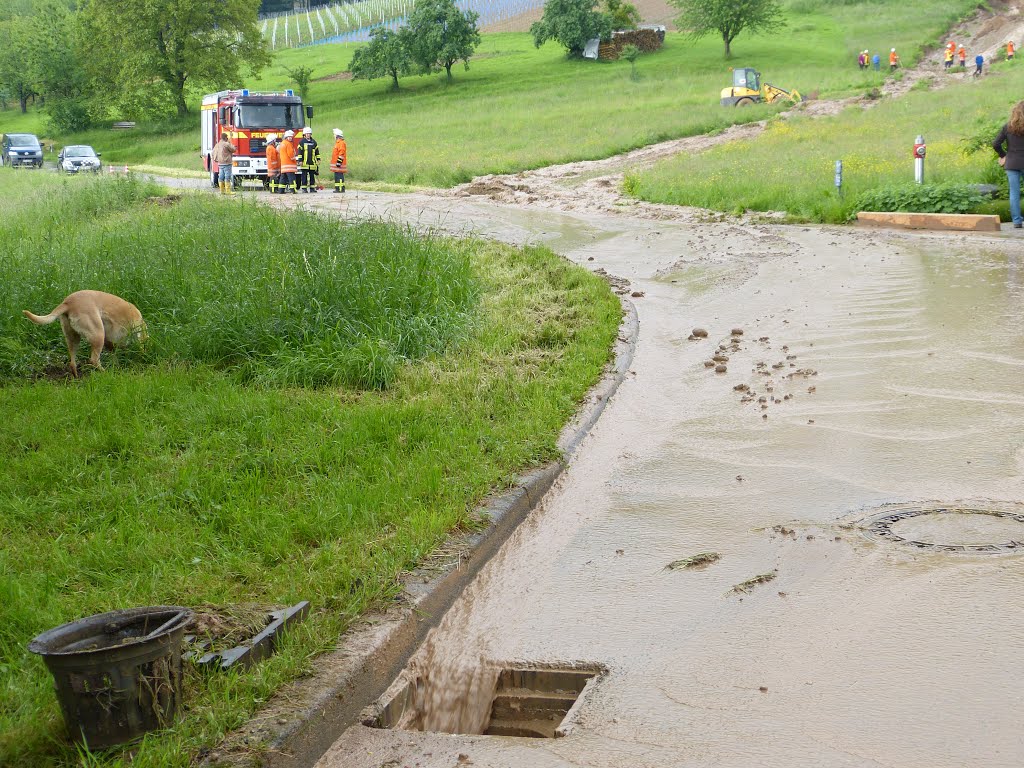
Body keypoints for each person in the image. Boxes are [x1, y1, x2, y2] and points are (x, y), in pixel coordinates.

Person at [992, 101, 1024, 228]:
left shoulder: (1007, 127)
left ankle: (1016, 221)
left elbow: (995, 144)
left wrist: (1003, 155)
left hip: (1011, 163)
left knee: (1014, 193)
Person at [298, 126, 320, 193]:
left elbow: (317, 152)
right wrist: (300, 160)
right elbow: (300, 152)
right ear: (304, 134)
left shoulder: (314, 142)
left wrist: (318, 159)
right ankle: (304, 188)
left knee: (312, 176)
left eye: (309, 134)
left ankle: (312, 188)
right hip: (304, 163)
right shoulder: (302, 142)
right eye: (307, 134)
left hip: (312, 163)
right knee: (304, 176)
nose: (308, 135)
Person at [279, 129, 297, 194]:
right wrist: (294, 159)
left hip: (283, 165)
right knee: (291, 178)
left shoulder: (282, 143)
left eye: (291, 137)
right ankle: (293, 190)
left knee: (283, 178)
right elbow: (291, 154)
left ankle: (281, 190)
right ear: (286, 137)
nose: (290, 138)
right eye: (289, 137)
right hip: (289, 165)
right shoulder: (288, 144)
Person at [329, 128, 347, 194]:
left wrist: (339, 162)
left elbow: (341, 153)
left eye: (334, 135)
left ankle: (339, 189)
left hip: (339, 164)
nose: (334, 136)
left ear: (337, 136)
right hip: (337, 164)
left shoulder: (341, 143)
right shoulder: (338, 143)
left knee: (339, 177)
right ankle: (339, 188)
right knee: (337, 176)